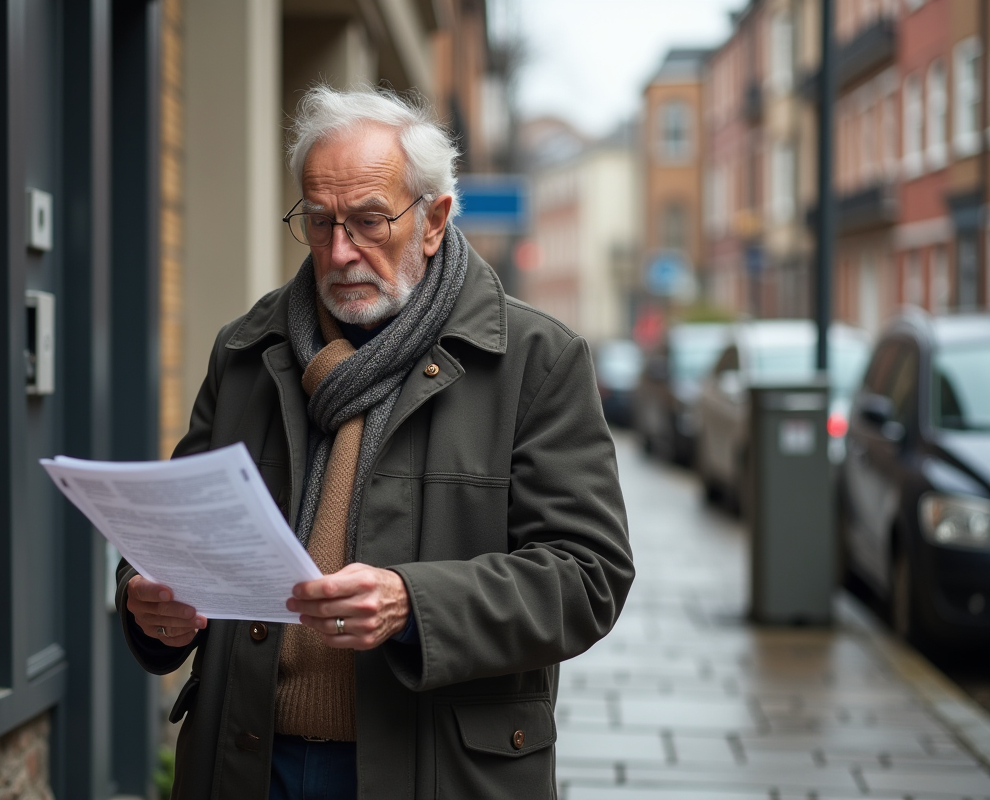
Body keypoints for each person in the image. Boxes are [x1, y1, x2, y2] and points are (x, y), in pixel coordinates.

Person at [115, 85, 634, 800]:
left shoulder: (536, 360)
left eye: (367, 221)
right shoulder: (245, 349)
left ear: (433, 220)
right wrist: (151, 607)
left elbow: (588, 575)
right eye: (320, 221)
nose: (339, 251)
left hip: (438, 771)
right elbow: (171, 538)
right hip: (245, 763)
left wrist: (411, 603)